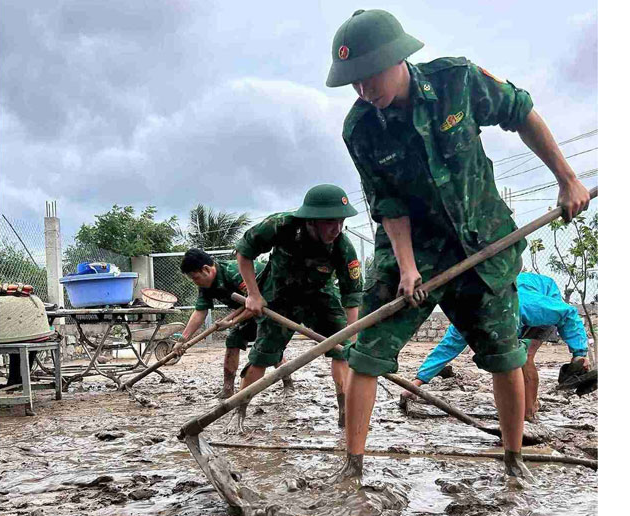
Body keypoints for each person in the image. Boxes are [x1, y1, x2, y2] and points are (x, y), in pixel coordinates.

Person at [326, 8, 591, 479]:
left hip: (482, 243)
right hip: (411, 249)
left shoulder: (458, 81)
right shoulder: (360, 128)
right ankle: (352, 467)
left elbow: (521, 111)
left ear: (399, 58)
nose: (364, 91)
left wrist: (567, 179)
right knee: (366, 353)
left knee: (505, 354)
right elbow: (387, 203)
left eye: (369, 77)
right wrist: (407, 268)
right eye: (354, 83)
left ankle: (513, 461)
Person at [227, 183, 363, 433]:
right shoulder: (280, 226)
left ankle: (345, 413)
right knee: (262, 355)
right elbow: (244, 253)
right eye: (329, 222)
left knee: (342, 350)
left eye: (341, 221)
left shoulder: (342, 247)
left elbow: (352, 297)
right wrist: (254, 295)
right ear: (311, 220)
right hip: (279, 298)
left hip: (320, 296)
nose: (337, 229)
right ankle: (239, 410)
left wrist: (351, 336)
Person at [400, 272, 591, 421]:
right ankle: (526, 403)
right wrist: (416, 383)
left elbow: (568, 314)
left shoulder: (529, 306)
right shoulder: (466, 319)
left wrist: (579, 353)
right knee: (509, 357)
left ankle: (530, 411)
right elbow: (445, 350)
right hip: (510, 311)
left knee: (526, 357)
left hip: (541, 295)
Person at [174, 248, 293, 399]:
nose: (195, 282)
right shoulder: (206, 286)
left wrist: (231, 322)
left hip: (273, 307)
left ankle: (288, 383)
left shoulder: (235, 273)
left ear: (206, 269)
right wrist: (182, 340)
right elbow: (200, 312)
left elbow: (257, 304)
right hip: (250, 309)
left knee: (268, 346)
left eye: (195, 277)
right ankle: (228, 389)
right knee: (233, 340)